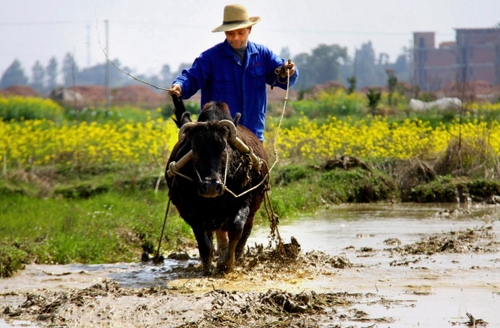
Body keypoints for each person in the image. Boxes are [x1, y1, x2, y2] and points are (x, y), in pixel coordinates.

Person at [169, 3, 298, 141]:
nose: (236, 37)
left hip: (253, 134)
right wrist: (180, 85)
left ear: (249, 29)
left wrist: (288, 71)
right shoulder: (210, 58)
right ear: (225, 32)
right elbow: (191, 77)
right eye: (231, 33)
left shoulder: (263, 55)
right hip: (218, 137)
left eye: (240, 33)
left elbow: (283, 77)